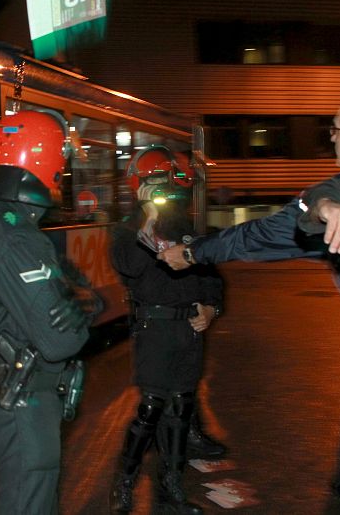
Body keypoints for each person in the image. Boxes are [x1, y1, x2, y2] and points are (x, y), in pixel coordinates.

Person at [158, 94, 340, 513]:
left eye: (334, 132)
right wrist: (323, 203)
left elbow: (260, 236)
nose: (331, 141)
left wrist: (193, 253)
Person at [0, 110, 96, 514]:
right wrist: (83, 309)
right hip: (22, 403)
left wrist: (76, 297)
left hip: (5, 392)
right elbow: (62, 339)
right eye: (62, 161)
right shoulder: (15, 236)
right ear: (48, 161)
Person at [109, 146, 224, 514]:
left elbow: (210, 275)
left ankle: (171, 488)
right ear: (139, 184)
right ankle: (123, 483)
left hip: (188, 329)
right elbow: (131, 267)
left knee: (181, 409)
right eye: (154, 182)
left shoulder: (185, 227)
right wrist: (149, 217)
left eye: (166, 182)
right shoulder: (127, 229)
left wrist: (211, 307)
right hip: (154, 327)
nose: (162, 189)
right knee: (152, 408)